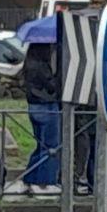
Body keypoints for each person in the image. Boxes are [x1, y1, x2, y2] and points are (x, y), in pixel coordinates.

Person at [15, 38, 61, 194]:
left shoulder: (29, 64)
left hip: (33, 105)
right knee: (50, 146)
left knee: (41, 145)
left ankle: (29, 178)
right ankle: (43, 182)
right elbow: (51, 85)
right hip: (47, 105)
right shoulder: (42, 65)